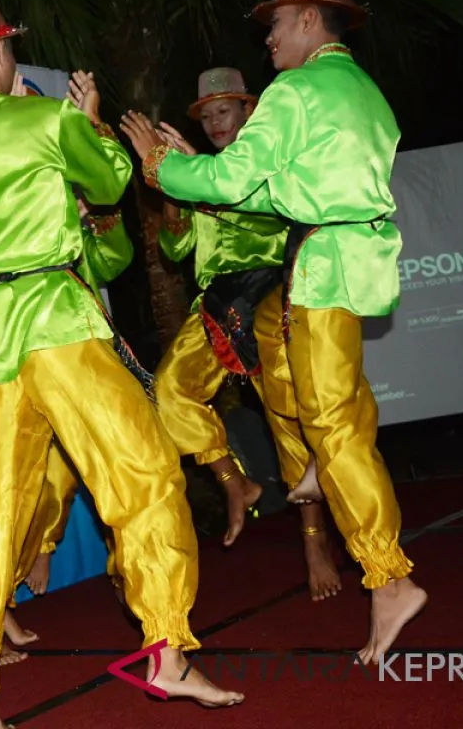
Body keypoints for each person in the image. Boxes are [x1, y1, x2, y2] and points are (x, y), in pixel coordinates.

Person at [0, 0, 243, 729]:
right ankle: (167, 651)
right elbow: (112, 180)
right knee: (144, 474)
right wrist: (84, 123)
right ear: (1, 53)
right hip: (55, 323)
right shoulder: (42, 119)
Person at [119, 0, 427, 666]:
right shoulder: (366, 92)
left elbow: (232, 178)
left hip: (322, 265)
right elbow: (273, 194)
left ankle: (389, 577)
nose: (270, 40)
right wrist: (195, 178)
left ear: (310, 19)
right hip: (358, 258)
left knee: (331, 420)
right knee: (336, 401)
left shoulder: (295, 90)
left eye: (278, 23)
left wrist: (163, 168)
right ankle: (317, 471)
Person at [154, 67, 342, 600]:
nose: (215, 122)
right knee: (169, 390)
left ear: (248, 111)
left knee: (287, 417)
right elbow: (174, 248)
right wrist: (171, 182)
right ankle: (234, 480)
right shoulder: (199, 170)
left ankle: (313, 543)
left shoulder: (269, 159)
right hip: (216, 303)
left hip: (269, 292)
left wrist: (196, 175)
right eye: (207, 116)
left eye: (224, 111)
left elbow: (272, 219)